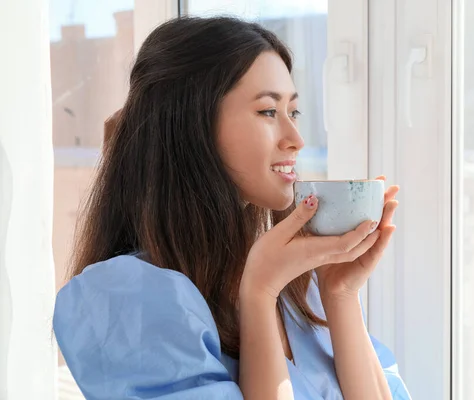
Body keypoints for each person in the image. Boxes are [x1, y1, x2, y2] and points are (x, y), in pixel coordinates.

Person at [53, 16, 412, 400]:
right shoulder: (126, 297)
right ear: (191, 125)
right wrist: (258, 294)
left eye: (294, 112)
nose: (296, 139)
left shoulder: (300, 292)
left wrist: (340, 295)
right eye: (268, 112)